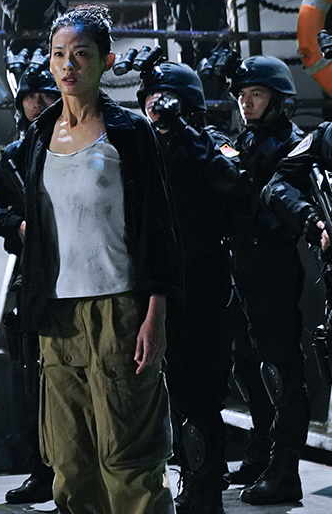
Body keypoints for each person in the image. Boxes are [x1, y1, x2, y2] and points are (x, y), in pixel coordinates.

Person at [18, 5, 182, 514]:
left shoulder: (129, 133)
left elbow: (159, 228)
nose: (68, 66)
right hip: (58, 317)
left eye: (82, 54)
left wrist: (155, 314)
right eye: (59, 55)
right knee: (69, 463)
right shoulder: (38, 136)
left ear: (106, 61)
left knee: (129, 458)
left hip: (120, 310)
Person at [137, 61, 240, 514]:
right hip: (159, 288)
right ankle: (190, 481)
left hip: (203, 286)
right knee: (173, 394)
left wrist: (181, 130)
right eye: (150, 101)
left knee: (200, 395)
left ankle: (206, 490)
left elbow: (230, 178)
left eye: (164, 100)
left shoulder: (208, 142)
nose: (154, 108)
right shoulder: (146, 147)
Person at [224, 56, 308, 506]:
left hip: (272, 266)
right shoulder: (244, 141)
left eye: (256, 94)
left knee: (280, 370)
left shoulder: (293, 146)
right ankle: (260, 452)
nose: (247, 103)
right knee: (247, 366)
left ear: (277, 98)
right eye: (242, 95)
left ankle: (285, 467)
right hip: (241, 266)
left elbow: (283, 202)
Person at [0, 68, 59, 505]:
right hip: (32, 277)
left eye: (45, 95)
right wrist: (16, 223)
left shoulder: (74, 144)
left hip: (81, 273)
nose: (37, 103)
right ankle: (42, 469)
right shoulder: (13, 158)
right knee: (34, 381)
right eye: (30, 96)